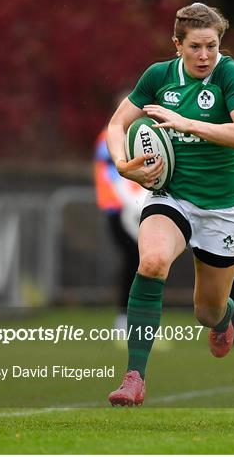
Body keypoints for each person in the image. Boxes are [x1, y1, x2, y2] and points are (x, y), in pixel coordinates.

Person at [106, 2, 234, 406]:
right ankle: (134, 377)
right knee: (152, 261)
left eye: (212, 46)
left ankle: (223, 318)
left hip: (223, 209)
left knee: (206, 312)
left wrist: (187, 122)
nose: (205, 55)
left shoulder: (229, 74)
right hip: (172, 197)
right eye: (195, 46)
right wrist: (123, 165)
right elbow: (118, 124)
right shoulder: (157, 76)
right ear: (177, 44)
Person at [94, 126, 146, 330]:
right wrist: (130, 199)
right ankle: (125, 318)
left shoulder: (139, 134)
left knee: (140, 261)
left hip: (136, 208)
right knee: (134, 259)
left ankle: (133, 317)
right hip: (119, 209)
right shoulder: (108, 137)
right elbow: (111, 171)